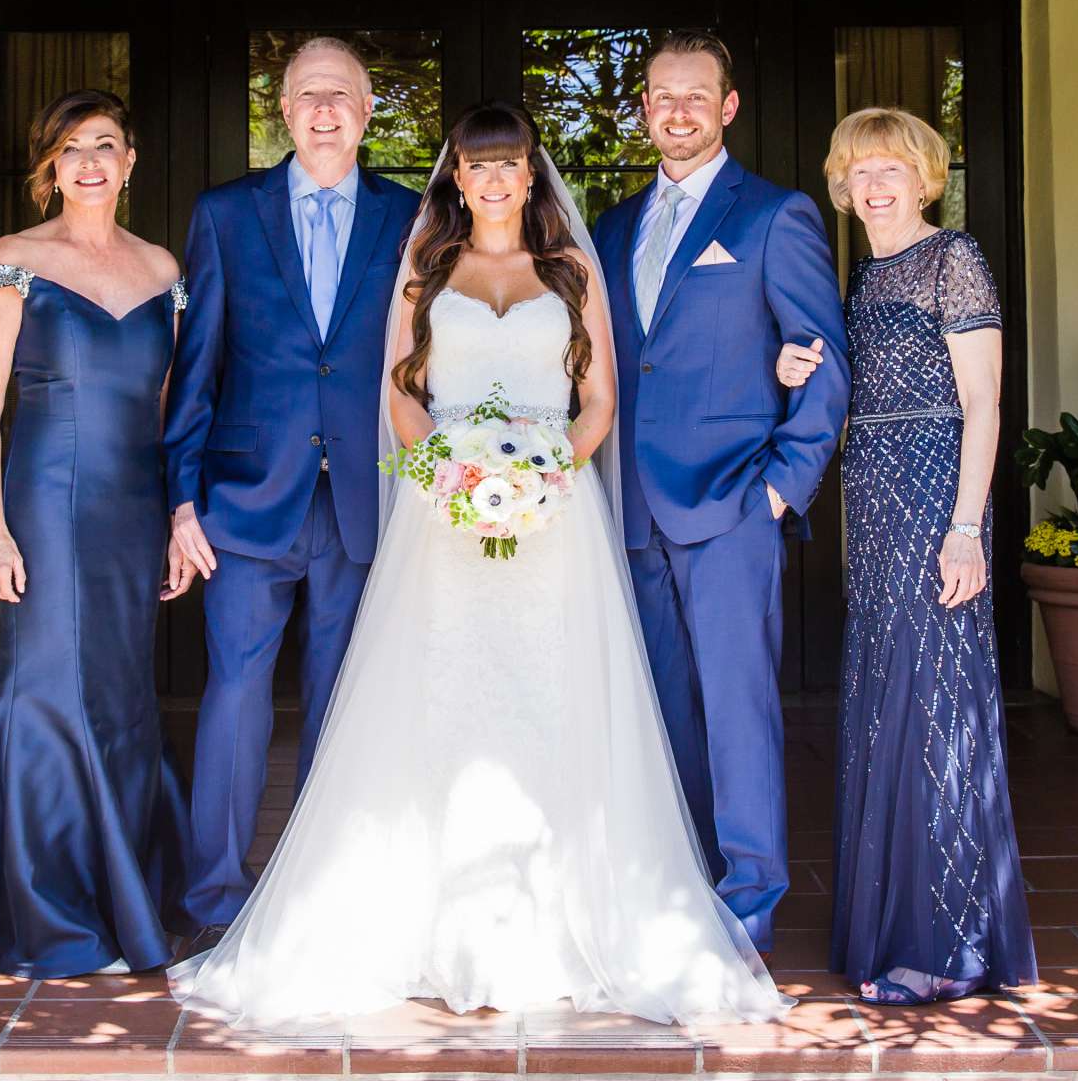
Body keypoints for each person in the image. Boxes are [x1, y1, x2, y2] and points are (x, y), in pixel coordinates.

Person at [169, 102, 790, 1030]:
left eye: (511, 166)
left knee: (553, 695)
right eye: (477, 167)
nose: (494, 181)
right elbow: (400, 393)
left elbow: (599, 403)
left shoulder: (572, 269)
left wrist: (545, 477)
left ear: (533, 176)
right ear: (454, 178)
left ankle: (563, 913)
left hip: (554, 521)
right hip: (443, 519)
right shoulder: (426, 270)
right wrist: (446, 477)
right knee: (441, 701)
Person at [0, 89, 193, 976]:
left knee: (123, 692)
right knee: (49, 684)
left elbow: (168, 413)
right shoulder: (13, 260)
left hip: (134, 509)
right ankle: (43, 903)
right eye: (70, 148)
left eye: (106, 145)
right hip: (47, 503)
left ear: (131, 163)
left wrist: (175, 516)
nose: (89, 160)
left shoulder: (165, 270)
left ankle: (119, 880)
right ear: (49, 166)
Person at [590, 30, 848, 956]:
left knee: (739, 707)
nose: (680, 111)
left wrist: (782, 490)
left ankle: (749, 896)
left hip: (734, 505)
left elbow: (822, 363)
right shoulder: (611, 227)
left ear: (728, 107)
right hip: (630, 511)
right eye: (663, 96)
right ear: (645, 109)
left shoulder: (774, 217)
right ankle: (683, 877)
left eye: (698, 96)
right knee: (664, 707)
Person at [162, 37, 421, 934]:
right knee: (234, 695)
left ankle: (320, 894)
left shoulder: (410, 215)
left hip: (366, 497)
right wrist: (179, 497)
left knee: (341, 701)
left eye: (340, 96)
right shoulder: (226, 215)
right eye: (306, 95)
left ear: (368, 111)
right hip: (242, 497)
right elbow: (196, 364)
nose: (323, 111)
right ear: (281, 110)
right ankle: (215, 898)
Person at [809, 105, 1034, 1003]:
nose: (873, 185)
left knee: (935, 704)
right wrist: (802, 369)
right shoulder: (863, 278)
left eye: (889, 169)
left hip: (936, 492)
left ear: (924, 176)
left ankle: (944, 947)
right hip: (872, 497)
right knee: (885, 701)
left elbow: (983, 402)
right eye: (858, 171)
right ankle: (889, 928)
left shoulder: (955, 258)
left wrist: (967, 527)